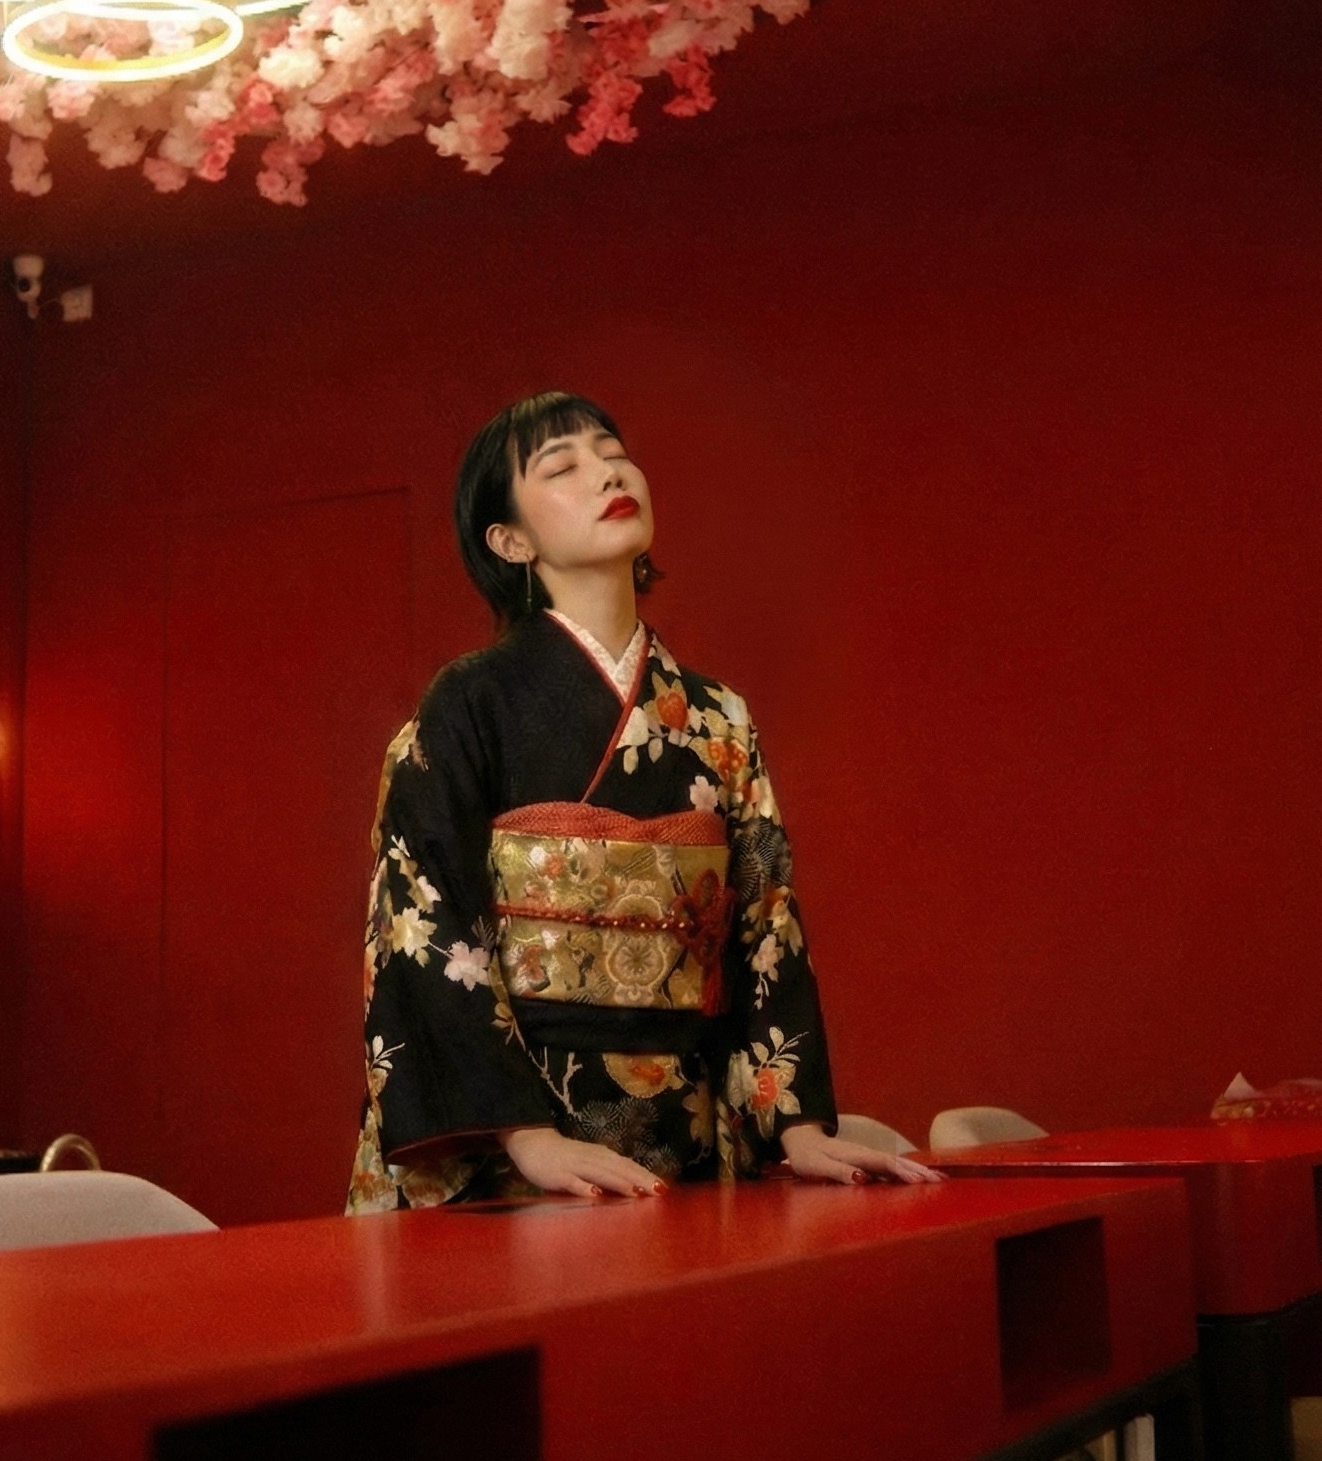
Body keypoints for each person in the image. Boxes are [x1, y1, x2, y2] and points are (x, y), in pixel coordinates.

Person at [348, 391, 942, 1208]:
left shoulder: (716, 716)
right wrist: (525, 1137)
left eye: (612, 452)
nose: (608, 473)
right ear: (510, 540)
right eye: (563, 466)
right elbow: (424, 912)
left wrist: (798, 1126)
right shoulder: (469, 703)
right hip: (523, 1139)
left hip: (679, 1121)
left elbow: (765, 924)